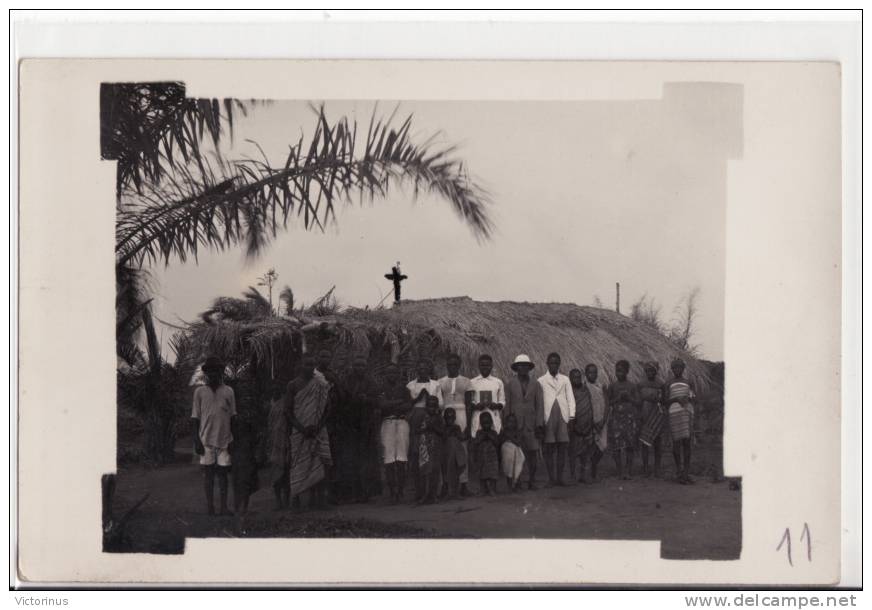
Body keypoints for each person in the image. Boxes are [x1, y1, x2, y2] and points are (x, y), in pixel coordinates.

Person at [191, 356, 237, 516]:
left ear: (222, 372)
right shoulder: (199, 392)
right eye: (211, 371)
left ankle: (224, 507)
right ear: (206, 373)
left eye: (217, 370)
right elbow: (195, 417)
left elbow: (233, 417)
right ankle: (210, 507)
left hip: (225, 440)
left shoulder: (229, 391)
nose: (214, 374)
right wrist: (197, 440)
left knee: (223, 475)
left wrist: (233, 439)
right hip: (206, 440)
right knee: (209, 475)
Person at [286, 354, 333, 509]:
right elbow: (288, 411)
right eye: (306, 364)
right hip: (300, 431)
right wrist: (301, 428)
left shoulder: (320, 383)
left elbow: (327, 408)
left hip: (319, 430)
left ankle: (320, 500)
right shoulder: (293, 385)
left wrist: (318, 426)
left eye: (312, 365)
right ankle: (296, 500)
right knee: (298, 463)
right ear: (301, 365)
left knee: (321, 462)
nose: (309, 367)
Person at [334, 356, 376, 503]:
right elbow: (341, 400)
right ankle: (350, 493)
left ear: (366, 367)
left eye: (362, 365)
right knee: (350, 459)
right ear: (353, 366)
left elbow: (376, 400)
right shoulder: (346, 381)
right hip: (350, 425)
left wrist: (367, 399)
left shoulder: (371, 382)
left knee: (365, 459)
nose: (360, 368)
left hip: (366, 425)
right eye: (357, 365)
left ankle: (365, 493)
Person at [503, 353, 545, 490]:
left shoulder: (536, 384)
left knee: (532, 454)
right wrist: (508, 426)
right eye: (520, 366)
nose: (523, 368)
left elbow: (540, 405)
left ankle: (532, 481)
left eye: (526, 366)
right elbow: (507, 405)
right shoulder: (510, 384)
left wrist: (539, 424)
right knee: (516, 455)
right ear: (516, 368)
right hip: (516, 424)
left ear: (529, 368)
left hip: (531, 425)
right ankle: (517, 482)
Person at [406, 359, 443, 501]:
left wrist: (428, 399)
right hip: (416, 419)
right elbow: (408, 404)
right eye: (419, 368)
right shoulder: (410, 385)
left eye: (425, 368)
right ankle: (419, 491)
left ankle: (432, 492)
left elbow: (441, 404)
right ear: (416, 369)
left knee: (432, 456)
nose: (422, 370)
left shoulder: (436, 384)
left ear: (429, 369)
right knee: (417, 455)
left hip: (432, 417)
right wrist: (418, 398)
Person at [437, 354, 473, 497]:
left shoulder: (466, 381)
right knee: (445, 450)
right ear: (447, 365)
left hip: (462, 414)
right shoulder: (440, 382)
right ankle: (445, 484)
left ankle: (463, 484)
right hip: (446, 415)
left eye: (454, 364)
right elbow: (439, 404)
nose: (452, 367)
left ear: (459, 365)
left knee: (462, 450)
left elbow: (469, 405)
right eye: (449, 364)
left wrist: (468, 426)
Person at [538, 352, 575, 487]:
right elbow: (540, 402)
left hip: (562, 416)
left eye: (556, 363)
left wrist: (571, 416)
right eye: (551, 363)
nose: (554, 365)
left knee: (562, 447)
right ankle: (551, 478)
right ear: (547, 364)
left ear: (559, 364)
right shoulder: (541, 380)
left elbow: (570, 398)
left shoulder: (565, 379)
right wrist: (540, 420)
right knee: (549, 447)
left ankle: (560, 478)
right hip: (548, 416)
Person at [378, 363, 412, 503]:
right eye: (389, 373)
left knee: (401, 458)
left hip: (402, 423)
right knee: (389, 459)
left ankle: (400, 491)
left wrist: (390, 403)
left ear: (398, 374)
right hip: (387, 423)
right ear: (385, 375)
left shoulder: (404, 389)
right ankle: (392, 491)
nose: (392, 375)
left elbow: (408, 405)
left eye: (394, 373)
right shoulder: (381, 389)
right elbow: (382, 406)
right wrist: (398, 403)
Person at [664, 358, 696, 484]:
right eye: (675, 367)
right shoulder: (669, 383)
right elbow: (665, 401)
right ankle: (679, 471)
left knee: (687, 443)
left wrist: (687, 398)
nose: (677, 369)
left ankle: (686, 473)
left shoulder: (688, 382)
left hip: (687, 412)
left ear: (683, 369)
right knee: (676, 442)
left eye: (680, 367)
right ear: (672, 369)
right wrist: (676, 399)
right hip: (674, 413)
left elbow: (694, 397)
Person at [607, 360, 641, 480]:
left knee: (629, 445)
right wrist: (618, 398)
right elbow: (608, 403)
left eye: (621, 371)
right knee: (616, 446)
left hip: (629, 419)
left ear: (627, 371)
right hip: (616, 418)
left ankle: (628, 470)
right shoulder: (612, 386)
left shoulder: (632, 386)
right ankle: (619, 470)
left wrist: (629, 398)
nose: (618, 373)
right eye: (617, 371)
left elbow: (638, 402)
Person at [231, 412, 260, 533]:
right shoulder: (241, 439)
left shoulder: (246, 439)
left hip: (244, 465)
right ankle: (241, 513)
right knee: (242, 490)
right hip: (242, 465)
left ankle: (241, 512)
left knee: (242, 490)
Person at [637, 362, 666, 477]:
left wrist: (657, 399)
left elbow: (664, 400)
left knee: (657, 442)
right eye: (648, 370)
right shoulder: (640, 384)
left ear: (656, 371)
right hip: (645, 414)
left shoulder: (660, 384)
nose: (650, 373)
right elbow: (638, 401)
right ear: (645, 371)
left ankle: (657, 468)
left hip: (657, 415)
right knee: (645, 442)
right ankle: (645, 468)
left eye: (652, 370)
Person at [416, 395, 446, 504]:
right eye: (429, 406)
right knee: (424, 471)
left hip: (436, 448)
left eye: (434, 406)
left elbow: (442, 432)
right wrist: (424, 428)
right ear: (426, 407)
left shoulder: (439, 418)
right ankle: (424, 494)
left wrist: (432, 427)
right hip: (424, 447)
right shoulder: (422, 417)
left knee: (435, 471)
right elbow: (417, 430)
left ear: (437, 407)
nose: (431, 409)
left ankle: (433, 495)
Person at [568, 368, 595, 484]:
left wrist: (590, 422)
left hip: (587, 425)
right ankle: (572, 475)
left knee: (585, 453)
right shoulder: (569, 392)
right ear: (570, 379)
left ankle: (583, 475)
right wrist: (573, 426)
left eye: (579, 377)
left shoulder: (586, 390)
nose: (577, 379)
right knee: (573, 453)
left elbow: (589, 405)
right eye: (574, 377)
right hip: (575, 427)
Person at [266, 382, 290, 510]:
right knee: (275, 473)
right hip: (273, 441)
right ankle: (278, 501)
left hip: (284, 440)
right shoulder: (270, 405)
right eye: (272, 389)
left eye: (277, 389)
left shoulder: (285, 403)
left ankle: (286, 501)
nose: (275, 391)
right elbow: (268, 425)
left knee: (286, 472)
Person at [469, 354, 505, 437]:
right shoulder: (472, 382)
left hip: (493, 415)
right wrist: (476, 406)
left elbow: (502, 401)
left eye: (487, 365)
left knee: (495, 438)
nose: (485, 367)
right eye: (482, 365)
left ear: (491, 366)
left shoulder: (498, 382)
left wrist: (497, 405)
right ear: (478, 366)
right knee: (477, 440)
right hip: (478, 416)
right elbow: (470, 401)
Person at [584, 364, 608, 481]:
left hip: (602, 420)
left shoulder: (601, 386)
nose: (592, 375)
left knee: (603, 445)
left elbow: (607, 403)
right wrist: (592, 422)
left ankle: (594, 464)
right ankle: (592, 472)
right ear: (586, 373)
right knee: (591, 446)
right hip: (590, 421)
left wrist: (603, 420)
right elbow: (586, 406)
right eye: (590, 372)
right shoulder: (585, 387)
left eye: (594, 372)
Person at [472, 411, 500, 496]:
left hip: (492, 458)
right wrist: (482, 438)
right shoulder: (479, 433)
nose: (486, 425)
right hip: (482, 457)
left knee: (493, 475)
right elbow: (476, 442)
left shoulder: (494, 432)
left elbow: (497, 443)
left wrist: (491, 437)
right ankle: (483, 489)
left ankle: (492, 489)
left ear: (491, 422)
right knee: (482, 474)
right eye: (484, 423)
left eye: (488, 423)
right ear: (481, 423)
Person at [441, 407, 467, 499]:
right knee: (447, 471)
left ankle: (455, 492)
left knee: (456, 471)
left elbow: (461, 437)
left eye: (452, 418)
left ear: (455, 418)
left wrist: (459, 433)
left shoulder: (457, 427)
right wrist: (450, 432)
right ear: (444, 418)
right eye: (448, 418)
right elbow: (443, 438)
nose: (450, 420)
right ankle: (448, 492)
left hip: (456, 452)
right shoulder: (443, 427)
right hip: (446, 453)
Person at [499, 413, 526, 492]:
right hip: (507, 451)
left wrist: (510, 437)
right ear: (506, 423)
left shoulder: (517, 432)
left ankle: (517, 483)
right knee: (508, 466)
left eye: (513, 422)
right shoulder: (503, 432)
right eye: (509, 422)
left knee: (518, 460)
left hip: (516, 451)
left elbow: (518, 442)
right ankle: (510, 485)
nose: (511, 424)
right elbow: (500, 442)